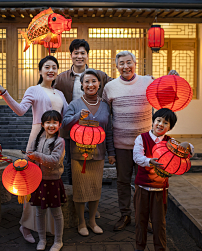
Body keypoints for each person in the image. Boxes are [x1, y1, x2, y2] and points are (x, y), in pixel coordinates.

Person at [0, 56, 68, 243]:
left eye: (54, 67)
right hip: (37, 139)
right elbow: (20, 110)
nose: (51, 70)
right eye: (47, 67)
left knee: (49, 181)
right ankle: (25, 225)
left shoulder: (60, 94)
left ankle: (46, 229)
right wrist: (4, 92)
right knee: (31, 183)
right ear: (40, 71)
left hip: (54, 141)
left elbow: (67, 116)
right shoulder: (33, 90)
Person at [132, 108, 194, 251]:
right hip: (142, 187)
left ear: (170, 128)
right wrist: (149, 161)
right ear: (153, 121)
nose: (161, 124)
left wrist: (188, 147)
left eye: (166, 123)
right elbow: (137, 156)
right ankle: (139, 248)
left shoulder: (171, 143)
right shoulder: (142, 138)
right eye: (158, 120)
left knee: (159, 222)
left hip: (160, 189)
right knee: (141, 219)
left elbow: (187, 152)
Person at [102, 51, 154, 231]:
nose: (126, 66)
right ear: (116, 67)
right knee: (123, 181)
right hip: (121, 145)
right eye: (121, 63)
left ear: (135, 63)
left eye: (128, 62)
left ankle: (143, 217)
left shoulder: (148, 81)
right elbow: (106, 117)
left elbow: (164, 94)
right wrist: (110, 149)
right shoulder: (110, 87)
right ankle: (125, 215)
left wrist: (171, 79)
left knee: (144, 183)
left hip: (145, 146)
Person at [62, 69, 115, 236]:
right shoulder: (75, 104)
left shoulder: (106, 106)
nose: (90, 85)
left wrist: (111, 153)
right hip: (79, 155)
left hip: (98, 154)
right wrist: (78, 116)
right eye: (87, 82)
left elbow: (109, 130)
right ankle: (81, 222)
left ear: (99, 84)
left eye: (94, 81)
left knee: (95, 188)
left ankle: (92, 221)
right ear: (82, 85)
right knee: (80, 189)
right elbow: (64, 124)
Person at [54, 38, 112, 189]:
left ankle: (91, 198)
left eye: (82, 53)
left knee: (92, 165)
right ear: (71, 55)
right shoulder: (61, 78)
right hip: (70, 127)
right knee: (71, 164)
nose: (79, 56)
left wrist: (146, 80)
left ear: (87, 55)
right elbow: (48, 90)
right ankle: (76, 199)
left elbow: (119, 84)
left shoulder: (99, 76)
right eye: (76, 53)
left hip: (93, 129)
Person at [26, 110, 66, 251]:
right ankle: (42, 239)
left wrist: (36, 156)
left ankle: (58, 241)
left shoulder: (59, 142)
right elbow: (29, 158)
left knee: (56, 212)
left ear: (59, 124)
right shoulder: (37, 139)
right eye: (48, 122)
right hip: (38, 182)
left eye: (54, 122)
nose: (51, 125)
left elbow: (54, 161)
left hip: (53, 181)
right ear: (42, 124)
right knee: (39, 212)